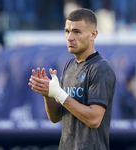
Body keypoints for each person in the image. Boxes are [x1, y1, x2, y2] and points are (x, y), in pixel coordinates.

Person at [28, 8, 116, 150]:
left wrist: (59, 94)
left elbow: (94, 119)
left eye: (77, 32)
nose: (70, 37)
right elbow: (56, 117)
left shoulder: (100, 68)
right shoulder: (69, 65)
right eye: (67, 31)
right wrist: (48, 95)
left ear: (93, 35)